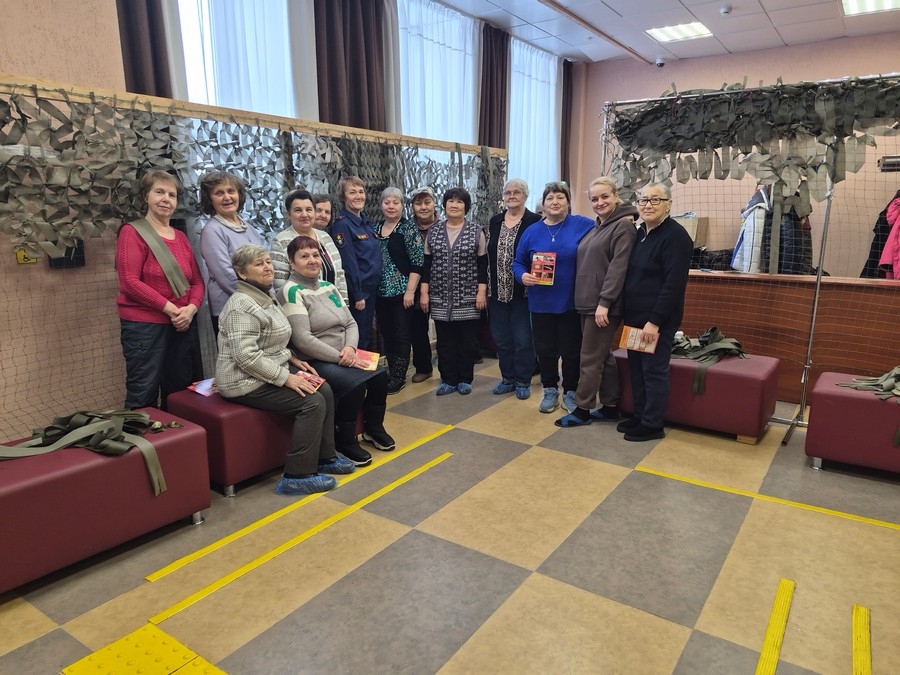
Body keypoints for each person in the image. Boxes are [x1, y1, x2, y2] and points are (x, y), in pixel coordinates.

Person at [216, 244, 356, 494]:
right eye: (259, 264)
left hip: (267, 370)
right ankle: (297, 475)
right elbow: (245, 356)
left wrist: (291, 357)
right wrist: (286, 378)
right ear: (241, 273)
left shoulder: (265, 296)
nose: (267, 267)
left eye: (268, 261)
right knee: (312, 402)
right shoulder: (241, 305)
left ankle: (325, 457)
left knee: (323, 390)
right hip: (243, 381)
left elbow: (270, 341)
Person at [277, 236, 396, 466]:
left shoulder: (328, 286)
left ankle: (373, 428)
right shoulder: (289, 291)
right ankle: (345, 440)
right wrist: (341, 358)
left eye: (315, 255)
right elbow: (303, 340)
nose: (312, 260)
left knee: (380, 376)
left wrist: (350, 348)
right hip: (316, 359)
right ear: (292, 263)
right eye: (304, 256)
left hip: (344, 353)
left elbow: (350, 323)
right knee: (354, 384)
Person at [116, 170, 205, 410]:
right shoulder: (132, 233)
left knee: (179, 392)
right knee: (143, 392)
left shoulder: (181, 237)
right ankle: (143, 435)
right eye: (159, 192)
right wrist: (173, 310)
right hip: (145, 327)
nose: (166, 199)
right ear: (146, 196)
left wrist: (190, 309)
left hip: (181, 325)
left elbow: (197, 282)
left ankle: (176, 433)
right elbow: (130, 282)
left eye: (171, 195)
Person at [556, 177, 638, 427]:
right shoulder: (597, 227)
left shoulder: (623, 227)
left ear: (616, 196)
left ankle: (582, 409)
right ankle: (611, 406)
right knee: (603, 356)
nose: (599, 202)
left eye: (604, 197)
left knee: (589, 357)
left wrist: (605, 302)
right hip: (587, 301)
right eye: (594, 199)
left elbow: (618, 268)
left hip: (602, 305)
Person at [619, 183, 693, 441]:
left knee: (653, 371)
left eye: (655, 200)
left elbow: (674, 285)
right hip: (634, 318)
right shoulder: (640, 233)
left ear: (669, 204)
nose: (648, 205)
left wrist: (654, 321)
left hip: (655, 321)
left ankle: (652, 424)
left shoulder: (676, 236)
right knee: (637, 370)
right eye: (643, 200)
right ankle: (640, 415)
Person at [512, 181, 594, 414]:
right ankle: (550, 390)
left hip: (571, 302)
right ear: (543, 203)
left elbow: (608, 229)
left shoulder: (583, 224)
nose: (555, 202)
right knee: (545, 350)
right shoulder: (532, 231)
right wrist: (523, 276)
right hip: (541, 302)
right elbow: (518, 262)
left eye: (560, 197)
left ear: (568, 202)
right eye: (550, 198)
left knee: (571, 350)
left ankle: (570, 391)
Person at [420, 187, 488, 395]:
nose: (454, 205)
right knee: (445, 342)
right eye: (450, 201)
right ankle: (448, 380)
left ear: (466, 207)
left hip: (467, 297)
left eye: (459, 201)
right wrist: (424, 293)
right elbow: (427, 265)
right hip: (439, 297)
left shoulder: (476, 231)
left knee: (467, 342)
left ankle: (465, 379)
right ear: (445, 205)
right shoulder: (434, 232)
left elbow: (482, 265)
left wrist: (481, 293)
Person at [487, 178, 541, 400]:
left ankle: (522, 380)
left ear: (525, 196)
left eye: (517, 192)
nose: (511, 196)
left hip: (523, 293)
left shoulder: (535, 221)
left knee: (523, 339)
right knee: (501, 339)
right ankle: (507, 378)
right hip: (496, 291)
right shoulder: (495, 221)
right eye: (508, 192)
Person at [197, 171, 264, 334]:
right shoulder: (212, 231)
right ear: (209, 199)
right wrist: (258, 300)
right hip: (232, 310)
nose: (227, 197)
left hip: (259, 304)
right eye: (219, 193)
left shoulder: (249, 227)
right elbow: (226, 276)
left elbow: (264, 265)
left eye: (231, 191)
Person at [374, 187, 425, 394]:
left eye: (396, 202)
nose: (391, 206)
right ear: (381, 205)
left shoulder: (408, 229)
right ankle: (391, 371)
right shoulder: (375, 228)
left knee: (401, 334)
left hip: (403, 292)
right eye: (387, 202)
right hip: (380, 292)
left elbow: (418, 263)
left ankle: (399, 376)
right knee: (387, 334)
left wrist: (410, 292)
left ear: (402, 206)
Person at [329, 176, 382, 350]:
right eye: (352, 192)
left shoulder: (365, 222)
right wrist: (357, 294)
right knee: (358, 339)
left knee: (367, 336)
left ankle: (366, 367)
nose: (358, 196)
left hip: (372, 290)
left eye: (361, 191)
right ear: (343, 197)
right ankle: (358, 369)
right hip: (359, 293)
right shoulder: (342, 225)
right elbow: (348, 263)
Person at [271, 188, 348, 303]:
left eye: (309, 209)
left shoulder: (325, 237)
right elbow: (280, 284)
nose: (304, 214)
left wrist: (343, 304)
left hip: (333, 305)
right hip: (301, 306)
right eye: (298, 210)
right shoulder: (281, 241)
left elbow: (339, 275)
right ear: (288, 214)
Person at [408, 186, 439, 383]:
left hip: (442, 284)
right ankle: (423, 367)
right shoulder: (407, 228)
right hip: (416, 285)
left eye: (427, 202)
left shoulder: (445, 226)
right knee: (417, 328)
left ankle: (449, 369)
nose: (423, 207)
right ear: (412, 206)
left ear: (434, 204)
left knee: (447, 328)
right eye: (418, 203)